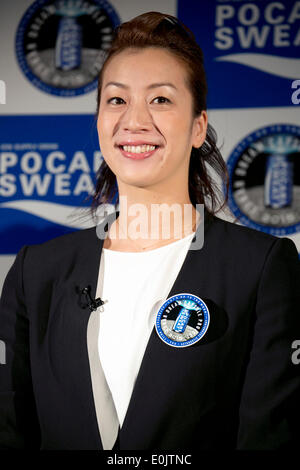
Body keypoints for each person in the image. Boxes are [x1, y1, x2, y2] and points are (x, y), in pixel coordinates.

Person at [0, 11, 299, 451]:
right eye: (116, 100)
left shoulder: (260, 268)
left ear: (198, 126)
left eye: (160, 100)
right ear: (99, 119)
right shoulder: (36, 272)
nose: (134, 120)